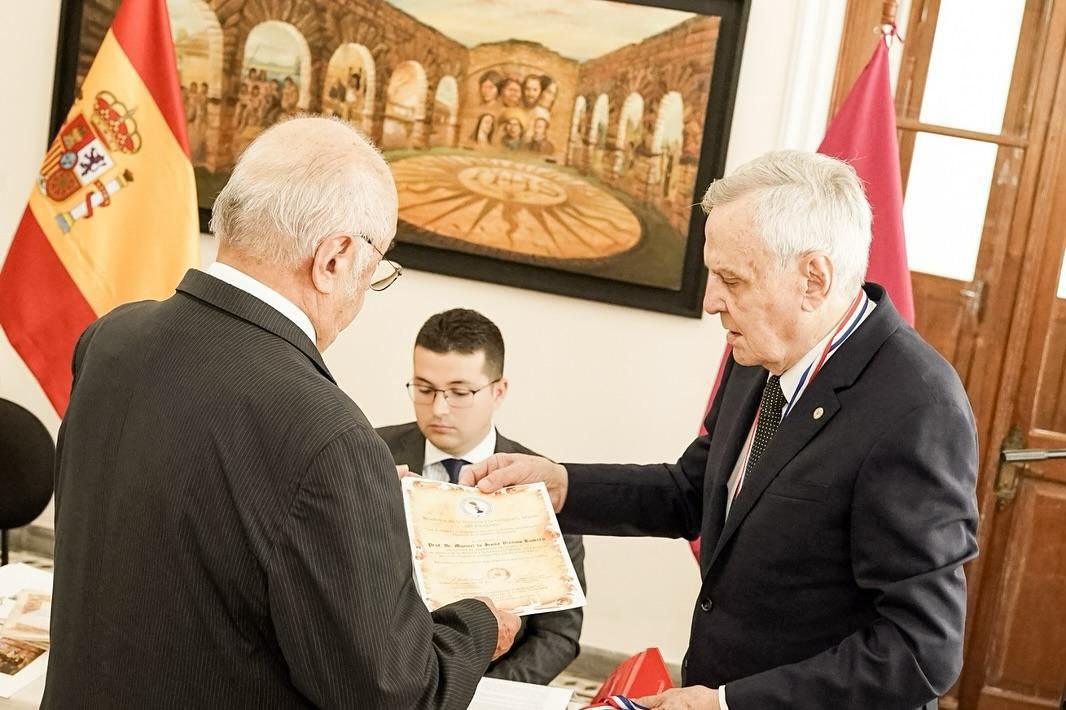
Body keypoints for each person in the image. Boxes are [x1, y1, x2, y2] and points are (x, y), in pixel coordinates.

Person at [464, 150, 979, 710]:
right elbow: (696, 489)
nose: (711, 301)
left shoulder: (917, 407)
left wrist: (730, 702)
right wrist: (562, 485)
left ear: (813, 279)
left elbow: (921, 649)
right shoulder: (760, 351)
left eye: (731, 279)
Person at [44, 116, 519, 709]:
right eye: (378, 271)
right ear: (335, 258)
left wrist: (362, 512)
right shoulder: (330, 437)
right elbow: (394, 695)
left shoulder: (113, 337)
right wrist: (482, 622)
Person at [378, 308, 585, 685]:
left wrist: (477, 694)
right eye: (424, 389)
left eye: (459, 392)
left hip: (491, 685)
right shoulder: (371, 454)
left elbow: (558, 633)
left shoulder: (539, 483)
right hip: (378, 675)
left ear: (498, 390)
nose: (438, 409)